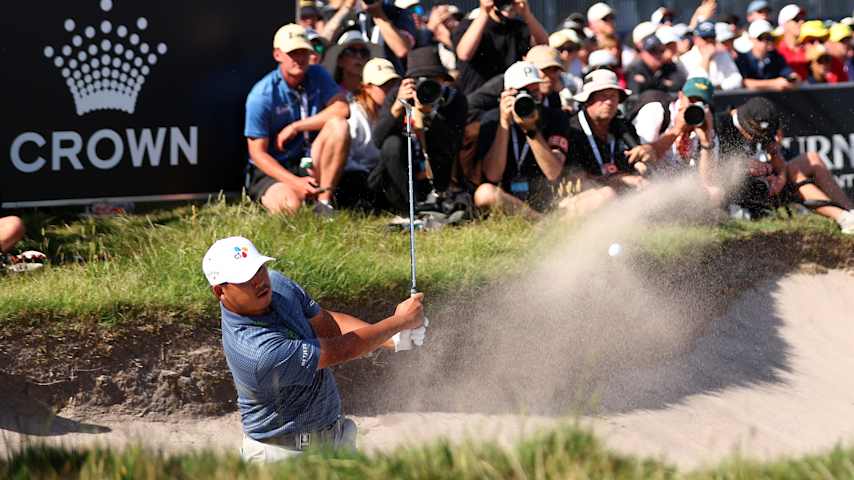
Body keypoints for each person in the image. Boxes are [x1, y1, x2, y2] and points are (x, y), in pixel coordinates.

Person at [203, 236, 427, 462]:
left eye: (259, 269)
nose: (259, 281)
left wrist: (393, 339)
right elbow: (340, 350)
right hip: (283, 458)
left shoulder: (277, 285)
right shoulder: (256, 351)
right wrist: (399, 322)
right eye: (244, 278)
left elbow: (327, 324)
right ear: (220, 292)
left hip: (335, 444)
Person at [244, 24, 350, 216]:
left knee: (339, 126)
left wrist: (296, 127)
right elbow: (257, 154)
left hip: (309, 159)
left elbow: (342, 109)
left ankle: (324, 204)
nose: (299, 58)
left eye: (303, 51)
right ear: (278, 55)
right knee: (290, 206)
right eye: (293, 53)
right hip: (275, 168)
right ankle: (288, 197)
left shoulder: (318, 74)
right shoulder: (261, 95)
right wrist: (294, 182)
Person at [715, 97, 854, 233]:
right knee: (795, 174)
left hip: (768, 186)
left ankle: (849, 212)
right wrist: (745, 167)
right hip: (738, 192)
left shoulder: (763, 127)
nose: (754, 137)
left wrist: (780, 179)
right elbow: (709, 169)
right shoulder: (719, 125)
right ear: (744, 121)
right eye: (752, 133)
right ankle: (843, 218)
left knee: (811, 158)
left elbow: (776, 157)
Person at [370, 47, 468, 216]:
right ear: (409, 82)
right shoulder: (398, 95)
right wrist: (397, 108)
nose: (426, 86)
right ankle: (411, 207)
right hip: (404, 177)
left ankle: (437, 201)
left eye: (432, 80)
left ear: (443, 80)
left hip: (438, 174)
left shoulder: (454, 99)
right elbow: (378, 141)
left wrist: (428, 115)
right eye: (419, 80)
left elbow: (452, 143)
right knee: (391, 144)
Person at [472, 61, 569, 218]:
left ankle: (539, 219)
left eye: (534, 91)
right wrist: (504, 123)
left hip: (545, 197)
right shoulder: (492, 120)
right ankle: (540, 221)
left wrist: (531, 130)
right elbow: (493, 175)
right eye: (523, 91)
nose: (528, 97)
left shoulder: (555, 117)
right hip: (507, 198)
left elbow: (553, 173)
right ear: (507, 94)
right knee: (485, 193)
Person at [559, 69, 653, 217]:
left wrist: (643, 162)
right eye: (602, 96)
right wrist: (619, 179)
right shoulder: (572, 130)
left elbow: (637, 166)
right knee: (607, 195)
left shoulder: (624, 127)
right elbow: (575, 180)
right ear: (588, 100)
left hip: (620, 197)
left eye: (614, 96)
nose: (609, 102)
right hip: (581, 198)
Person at [630, 77, 722, 202]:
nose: (694, 106)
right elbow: (644, 156)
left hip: (684, 186)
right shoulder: (657, 112)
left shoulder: (707, 126)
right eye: (691, 100)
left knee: (715, 192)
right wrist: (676, 130)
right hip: (652, 181)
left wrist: (706, 142)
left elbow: (708, 179)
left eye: (701, 103)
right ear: (680, 96)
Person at [339, 58, 401, 209]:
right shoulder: (354, 114)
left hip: (382, 175)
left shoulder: (397, 110)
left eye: (393, 85)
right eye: (384, 86)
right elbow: (346, 160)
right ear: (367, 87)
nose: (390, 90)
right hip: (359, 176)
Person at [452, 0, 549, 95]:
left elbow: (544, 48)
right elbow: (464, 54)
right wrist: (484, 12)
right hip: (478, 101)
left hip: (511, 97)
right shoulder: (469, 26)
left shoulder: (518, 28)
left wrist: (527, 14)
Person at [735, 20, 798, 91]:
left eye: (770, 37)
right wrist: (774, 83)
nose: (767, 41)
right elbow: (745, 83)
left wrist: (792, 80)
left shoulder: (776, 57)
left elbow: (790, 74)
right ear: (751, 39)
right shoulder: (743, 59)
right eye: (762, 38)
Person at [680, 21, 743, 90]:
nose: (709, 43)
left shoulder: (723, 55)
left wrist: (720, 86)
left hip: (723, 96)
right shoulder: (686, 59)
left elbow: (737, 78)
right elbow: (696, 84)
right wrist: (706, 58)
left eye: (712, 39)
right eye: (705, 39)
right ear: (696, 39)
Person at [587, 2, 635, 67]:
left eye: (611, 17)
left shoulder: (623, 48)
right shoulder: (586, 48)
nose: (610, 21)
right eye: (605, 19)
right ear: (591, 24)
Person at [775, 4, 807, 79]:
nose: (802, 22)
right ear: (785, 24)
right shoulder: (777, 50)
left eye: (802, 18)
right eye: (796, 19)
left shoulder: (807, 46)